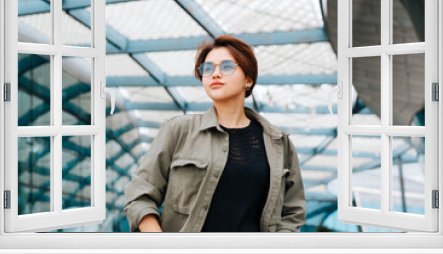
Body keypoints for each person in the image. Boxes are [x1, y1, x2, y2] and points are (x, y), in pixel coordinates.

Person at [124, 35, 306, 232]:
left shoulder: (278, 142)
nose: (215, 74)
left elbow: (292, 212)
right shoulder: (178, 131)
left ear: (249, 79)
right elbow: (138, 196)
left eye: (227, 67)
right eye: (208, 68)